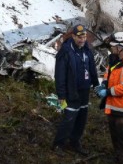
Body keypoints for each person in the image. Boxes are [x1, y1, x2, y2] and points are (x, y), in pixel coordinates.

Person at [52, 24, 99, 156]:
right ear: (73, 36)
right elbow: (59, 75)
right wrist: (61, 95)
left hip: (85, 92)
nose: (82, 39)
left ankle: (74, 141)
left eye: (84, 36)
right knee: (69, 118)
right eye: (79, 37)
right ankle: (58, 144)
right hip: (71, 92)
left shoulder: (87, 49)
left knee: (81, 118)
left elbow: (92, 68)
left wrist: (96, 84)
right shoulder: (65, 51)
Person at [96, 32, 123, 164]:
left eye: (113, 46)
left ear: (120, 47)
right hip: (114, 104)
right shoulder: (115, 58)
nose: (111, 48)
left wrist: (108, 92)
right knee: (114, 133)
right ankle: (118, 156)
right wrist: (104, 83)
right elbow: (109, 72)